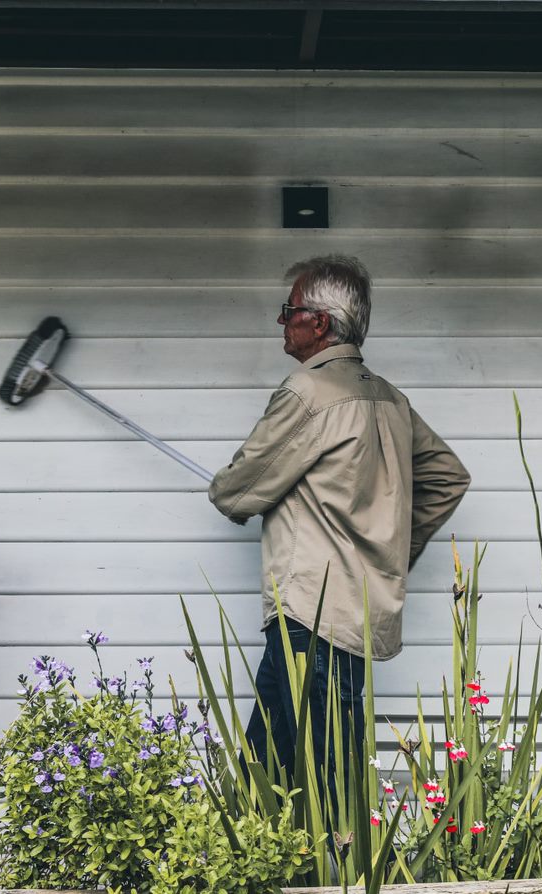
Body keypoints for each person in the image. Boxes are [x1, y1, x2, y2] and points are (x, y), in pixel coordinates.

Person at [207, 255, 470, 786]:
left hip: (310, 612)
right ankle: (258, 864)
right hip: (346, 612)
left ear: (320, 322)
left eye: (289, 311)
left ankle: (349, 870)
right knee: (267, 763)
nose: (282, 321)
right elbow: (447, 475)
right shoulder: (387, 398)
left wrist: (239, 487)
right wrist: (389, 545)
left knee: (332, 777)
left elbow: (234, 493)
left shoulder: (307, 393)